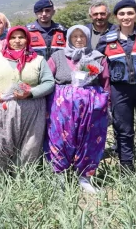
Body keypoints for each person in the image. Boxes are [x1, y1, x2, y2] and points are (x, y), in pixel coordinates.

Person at [45, 25, 110, 194]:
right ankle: (59, 175)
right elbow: (47, 79)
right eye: (75, 36)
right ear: (69, 38)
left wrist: (105, 105)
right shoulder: (58, 56)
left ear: (88, 38)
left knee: (89, 139)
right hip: (61, 108)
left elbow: (106, 83)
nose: (79, 39)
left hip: (91, 107)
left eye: (82, 36)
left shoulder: (98, 58)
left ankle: (84, 177)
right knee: (60, 139)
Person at [97, 0, 136, 173]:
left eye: (130, 13)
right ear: (116, 17)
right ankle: (126, 167)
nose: (126, 17)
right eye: (122, 14)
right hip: (120, 90)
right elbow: (96, 63)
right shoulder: (106, 40)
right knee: (123, 130)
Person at [0, 26, 55, 172]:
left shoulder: (38, 60)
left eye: (21, 37)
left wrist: (31, 92)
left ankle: (23, 183)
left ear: (27, 39)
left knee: (29, 147)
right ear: (8, 40)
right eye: (13, 37)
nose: (17, 41)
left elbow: (49, 83)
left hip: (31, 110)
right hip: (0, 109)